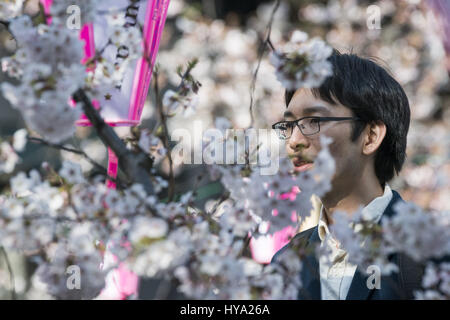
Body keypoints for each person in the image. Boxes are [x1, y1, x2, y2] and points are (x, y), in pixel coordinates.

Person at [271, 49, 424, 300]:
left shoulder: (427, 255)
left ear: (371, 136)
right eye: (289, 125)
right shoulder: (285, 263)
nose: (294, 140)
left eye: (313, 121)